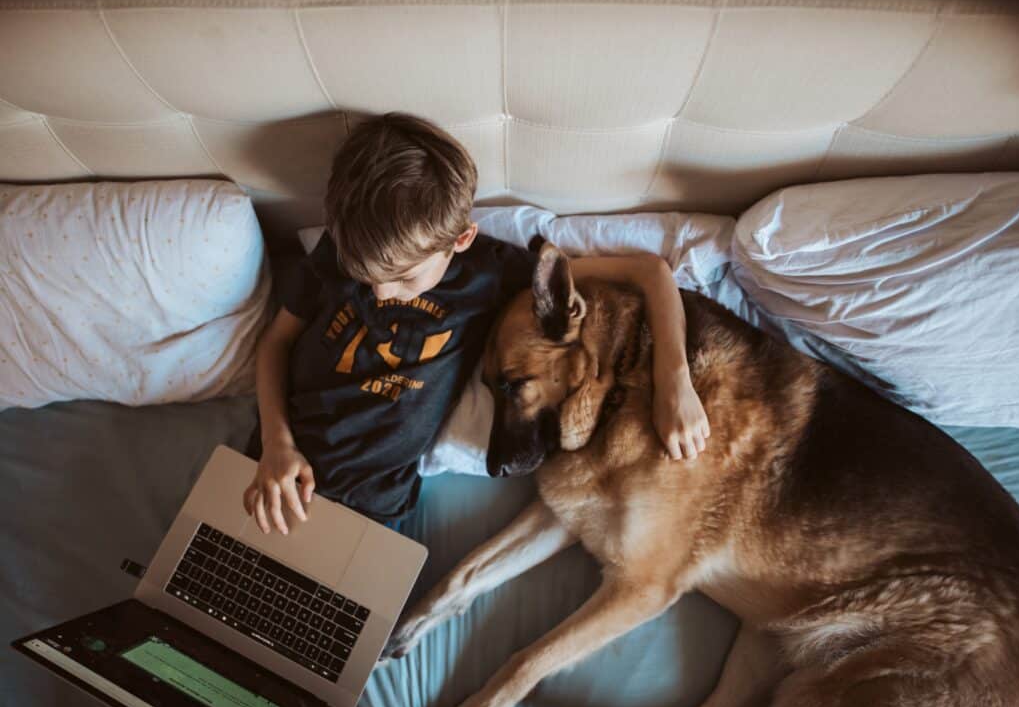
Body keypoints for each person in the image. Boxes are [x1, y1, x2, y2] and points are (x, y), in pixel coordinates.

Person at [242, 111, 710, 535]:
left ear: (462, 239)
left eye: (403, 279)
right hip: (269, 467)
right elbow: (276, 344)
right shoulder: (342, 248)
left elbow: (650, 271)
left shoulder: (490, 274)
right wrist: (275, 444)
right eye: (366, 278)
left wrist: (676, 379)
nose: (380, 295)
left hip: (371, 507)